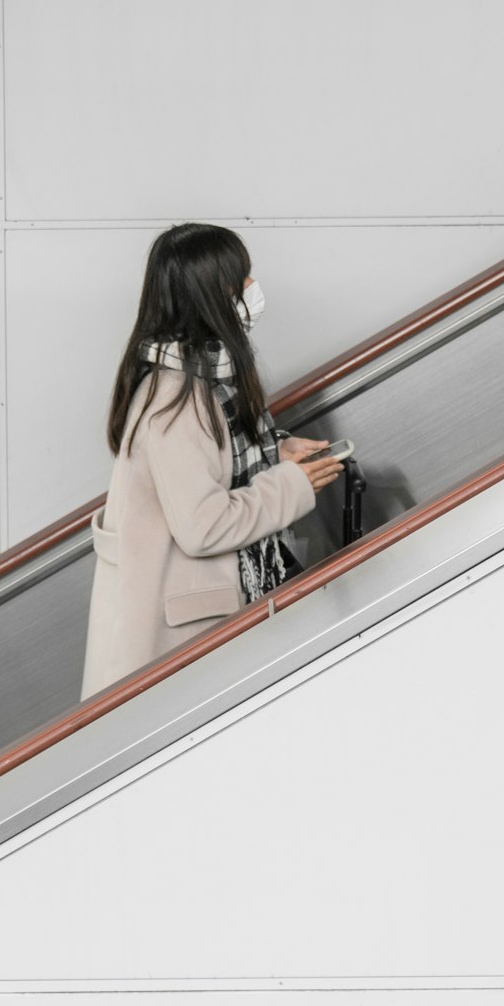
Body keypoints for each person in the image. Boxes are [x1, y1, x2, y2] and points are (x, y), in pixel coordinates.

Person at [79, 222, 343, 700]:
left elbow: (214, 462)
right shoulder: (173, 400)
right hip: (181, 642)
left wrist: (275, 451)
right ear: (213, 293)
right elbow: (203, 526)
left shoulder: (204, 373)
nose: (252, 288)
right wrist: (292, 485)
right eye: (242, 279)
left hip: (210, 612)